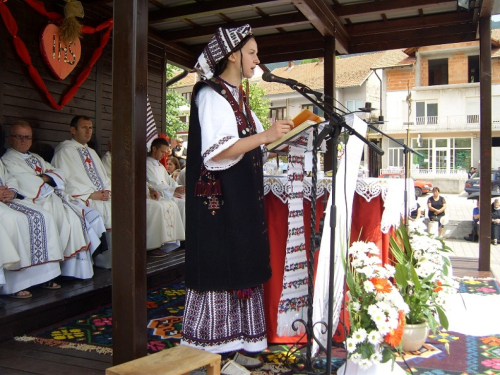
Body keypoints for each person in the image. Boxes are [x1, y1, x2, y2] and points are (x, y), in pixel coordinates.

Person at [179, 24, 292, 369]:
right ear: (232, 54)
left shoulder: (239, 97)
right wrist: (266, 136)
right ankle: (209, 352)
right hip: (218, 204)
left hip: (240, 200)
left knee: (242, 265)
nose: (258, 60)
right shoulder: (211, 94)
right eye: (252, 53)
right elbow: (220, 152)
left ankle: (242, 345)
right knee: (220, 268)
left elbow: (255, 145)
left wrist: (285, 137)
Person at [2, 120, 106, 279]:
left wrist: (44, 177)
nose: (24, 140)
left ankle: (75, 269)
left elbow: (58, 173)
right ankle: (64, 268)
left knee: (78, 218)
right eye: (19, 137)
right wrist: (45, 179)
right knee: (67, 220)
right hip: (36, 199)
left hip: (52, 196)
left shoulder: (36, 157)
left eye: (27, 137)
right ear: (10, 138)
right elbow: (23, 182)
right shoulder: (8, 159)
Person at [102, 144, 185, 257]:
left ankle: (166, 243)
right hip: (123, 196)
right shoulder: (108, 160)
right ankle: (151, 246)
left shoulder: (126, 160)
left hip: (141, 194)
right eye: (162, 151)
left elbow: (139, 178)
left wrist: (150, 189)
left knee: (169, 204)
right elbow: (113, 182)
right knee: (157, 207)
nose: (163, 155)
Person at [51, 115, 112, 269]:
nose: (88, 131)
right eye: (84, 127)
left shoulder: (91, 152)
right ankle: (101, 260)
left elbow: (104, 176)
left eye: (90, 127)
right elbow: (66, 181)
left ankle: (115, 259)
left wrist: (106, 191)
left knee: (121, 207)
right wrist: (90, 195)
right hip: (80, 198)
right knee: (99, 210)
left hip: (100, 196)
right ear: (73, 130)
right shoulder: (64, 152)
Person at [0, 160, 63, 298]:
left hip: (6, 199)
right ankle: (15, 284)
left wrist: (11, 191)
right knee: (14, 220)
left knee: (44, 216)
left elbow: (9, 178)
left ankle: (43, 276)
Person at [146, 137, 186, 226]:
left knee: (186, 201)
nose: (163, 155)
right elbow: (154, 184)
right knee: (182, 204)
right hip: (157, 195)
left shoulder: (160, 165)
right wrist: (173, 190)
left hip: (167, 194)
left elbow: (170, 181)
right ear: (154, 149)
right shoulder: (146, 164)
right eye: (162, 152)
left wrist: (179, 188)